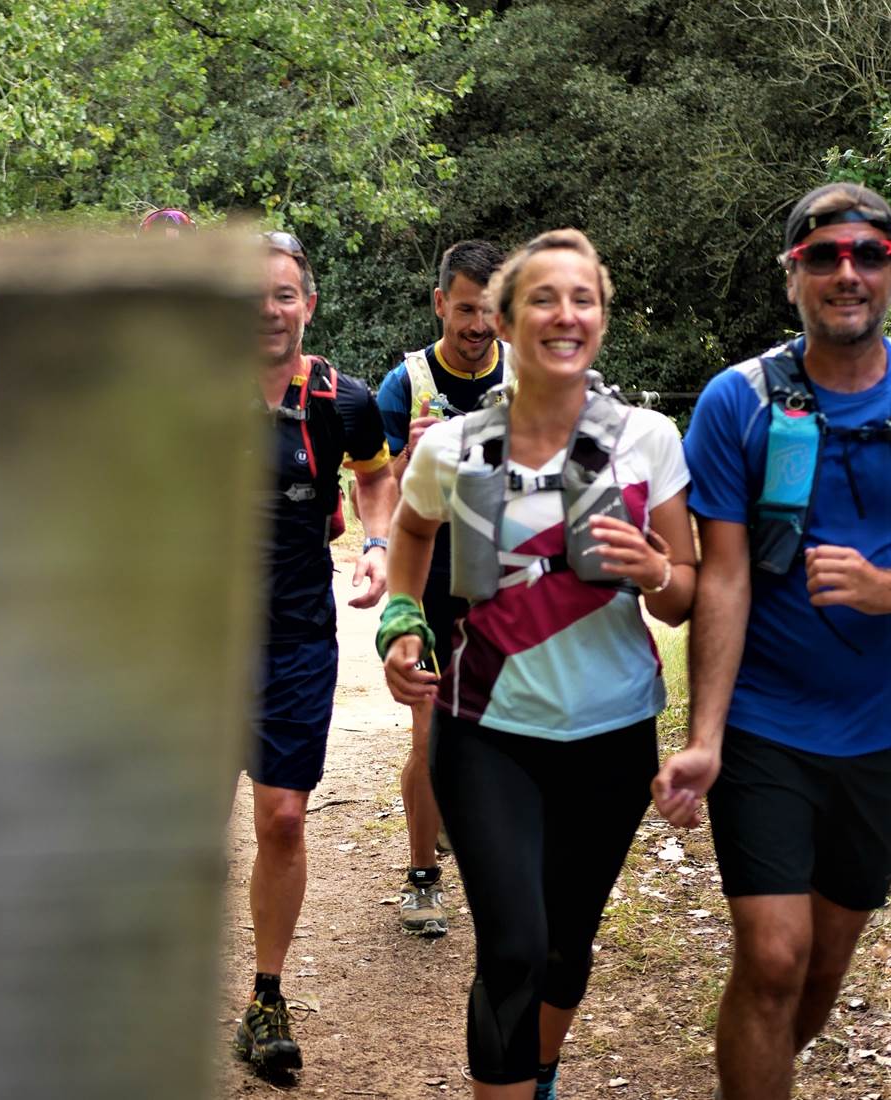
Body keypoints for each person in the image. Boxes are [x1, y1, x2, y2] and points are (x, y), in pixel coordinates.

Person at [379, 228, 696, 1099]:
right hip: (487, 732)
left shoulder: (651, 440)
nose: (565, 313)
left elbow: (685, 597)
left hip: (613, 732)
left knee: (565, 946)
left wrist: (656, 571)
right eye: (542, 299)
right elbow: (409, 534)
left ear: (602, 317)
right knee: (513, 947)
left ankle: (540, 1074)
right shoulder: (453, 447)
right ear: (507, 323)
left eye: (582, 298)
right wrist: (402, 623)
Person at [652, 182, 891, 1100]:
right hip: (767, 724)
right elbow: (725, 575)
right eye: (824, 256)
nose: (847, 273)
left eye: (869, 255)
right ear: (791, 276)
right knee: (775, 955)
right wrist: (704, 737)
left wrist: (881, 590)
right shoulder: (738, 402)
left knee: (826, 966)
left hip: (877, 733)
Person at [233, 230, 397, 1075]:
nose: (269, 308)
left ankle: (266, 998)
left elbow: (376, 476)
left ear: (309, 303)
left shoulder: (343, 399)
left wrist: (375, 545)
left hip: (296, 634)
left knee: (284, 816)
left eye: (284, 293)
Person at [376, 238, 509, 936]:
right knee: (430, 728)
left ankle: (492, 851)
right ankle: (422, 877)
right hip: (428, 577)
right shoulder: (406, 384)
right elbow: (383, 494)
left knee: (496, 729)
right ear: (440, 304)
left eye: (489, 311)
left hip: (502, 583)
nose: (478, 326)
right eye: (465, 310)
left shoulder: (527, 373)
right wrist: (411, 449)